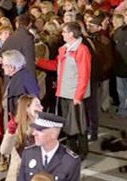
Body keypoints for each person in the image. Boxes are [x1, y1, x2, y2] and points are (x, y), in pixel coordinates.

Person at [36, 21, 92, 156]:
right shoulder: (64, 49)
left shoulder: (81, 50)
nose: (62, 34)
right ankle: (71, 149)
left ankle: (82, 150)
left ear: (71, 34)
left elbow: (84, 74)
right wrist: (39, 62)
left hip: (74, 93)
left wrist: (78, 96)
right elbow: (57, 65)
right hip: (64, 92)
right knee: (68, 124)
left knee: (78, 124)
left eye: (64, 32)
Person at [16, 111, 81, 181]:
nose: (34, 133)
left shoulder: (70, 161)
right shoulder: (28, 153)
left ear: (53, 134)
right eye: (35, 129)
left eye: (40, 130)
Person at [1, 95, 41, 181]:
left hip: (37, 178)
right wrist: (11, 132)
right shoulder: (18, 128)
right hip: (19, 179)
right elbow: (4, 150)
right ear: (27, 108)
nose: (41, 107)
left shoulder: (42, 126)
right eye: (37, 105)